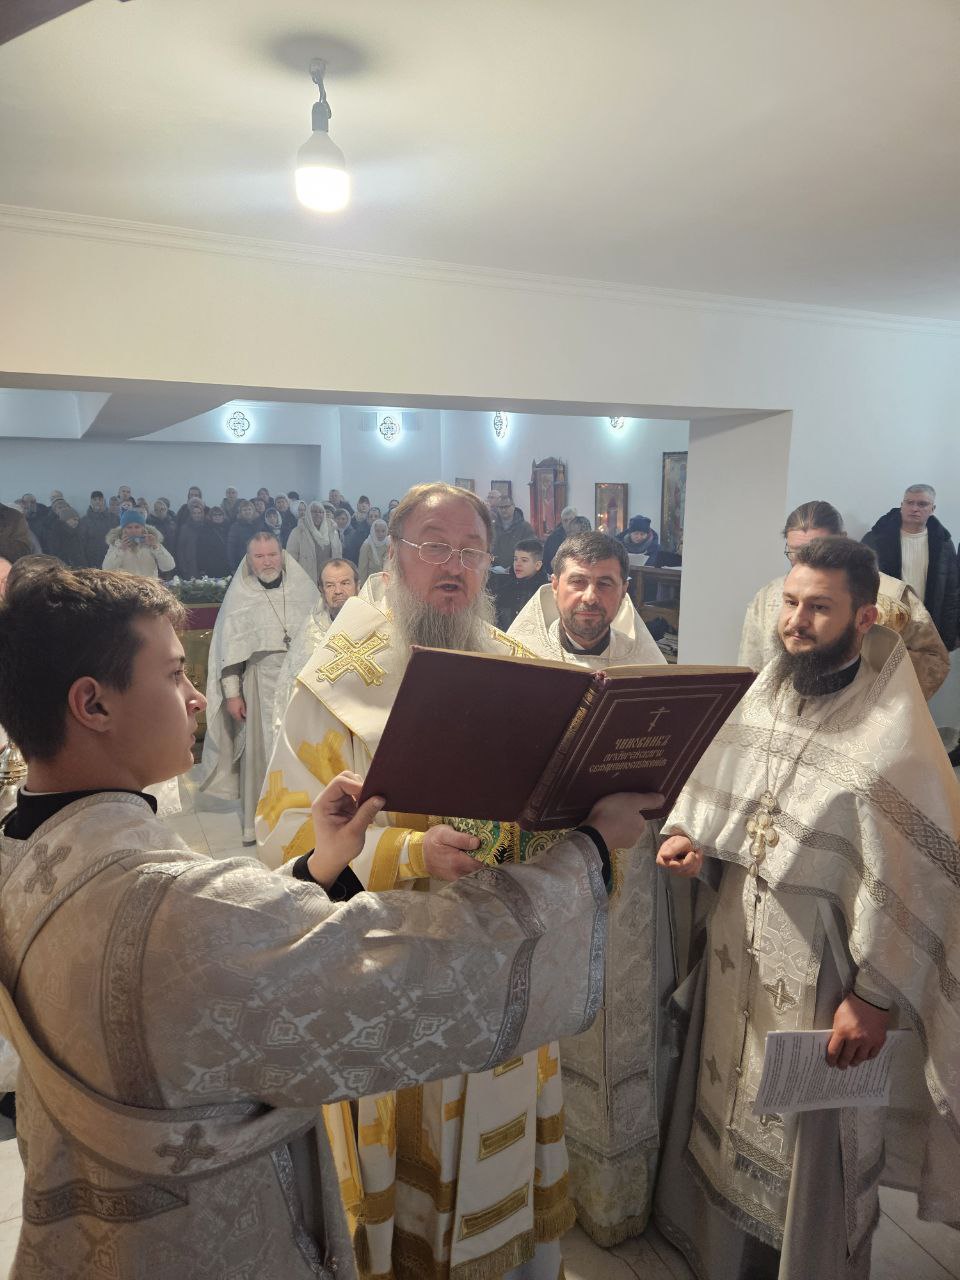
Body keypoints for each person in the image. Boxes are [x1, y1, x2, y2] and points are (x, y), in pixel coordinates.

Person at [0, 563, 652, 1280]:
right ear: (92, 704)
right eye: (175, 674)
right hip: (195, 1242)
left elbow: (215, 951)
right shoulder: (171, 906)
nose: (195, 697)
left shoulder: (28, 853)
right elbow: (431, 976)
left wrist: (317, 870)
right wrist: (588, 851)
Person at [259, 482, 618, 1280]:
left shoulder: (527, 672)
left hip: (502, 967)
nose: (452, 565)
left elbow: (557, 802)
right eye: (432, 546)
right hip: (389, 972)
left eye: (469, 550)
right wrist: (407, 855)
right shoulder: (335, 681)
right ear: (392, 558)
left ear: (489, 564)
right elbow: (282, 837)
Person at [653, 536, 960, 1280]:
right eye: (790, 602)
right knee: (725, 1097)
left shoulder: (894, 737)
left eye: (819, 607)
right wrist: (693, 843)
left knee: (807, 1133)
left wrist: (874, 997)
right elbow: (721, 798)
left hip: (825, 965)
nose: (796, 622)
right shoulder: (767, 692)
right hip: (738, 942)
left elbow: (922, 877)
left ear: (864, 618)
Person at [507, 530, 679, 1242]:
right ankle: (532, 1183)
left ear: (623, 592)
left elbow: (677, 762)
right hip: (543, 869)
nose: (590, 596)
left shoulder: (647, 665)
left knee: (616, 1013)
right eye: (578, 581)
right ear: (553, 586)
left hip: (625, 874)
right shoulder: (515, 661)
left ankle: (612, 1194)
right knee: (545, 1012)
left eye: (605, 583)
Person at [740, 500, 950, 700]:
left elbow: (934, 659)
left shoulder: (893, 595)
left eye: (820, 548)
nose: (807, 561)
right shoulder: (767, 597)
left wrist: (884, 697)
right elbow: (750, 669)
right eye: (796, 553)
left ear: (843, 539)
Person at [199, 533, 318, 844]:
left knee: (301, 753)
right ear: (249, 561)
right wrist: (232, 694)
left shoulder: (304, 590)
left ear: (283, 555)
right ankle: (260, 823)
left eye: (272, 555)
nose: (267, 562)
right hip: (258, 684)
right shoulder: (240, 596)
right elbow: (228, 654)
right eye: (259, 556)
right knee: (260, 754)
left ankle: (303, 821)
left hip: (300, 686)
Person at [862, 484, 958, 650]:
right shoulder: (875, 540)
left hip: (928, 627)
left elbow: (952, 593)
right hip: (886, 626)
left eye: (922, 504)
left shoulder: (943, 544)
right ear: (902, 505)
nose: (914, 508)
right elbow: (861, 586)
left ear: (932, 509)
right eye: (909, 502)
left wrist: (948, 639)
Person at [103, 509, 175, 578]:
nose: (133, 530)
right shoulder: (116, 544)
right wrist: (121, 550)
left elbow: (169, 566)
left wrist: (155, 546)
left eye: (137, 527)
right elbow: (107, 570)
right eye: (129, 527)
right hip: (126, 586)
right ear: (123, 529)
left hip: (149, 585)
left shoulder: (151, 541)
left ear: (143, 528)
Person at [495, 536, 549, 630]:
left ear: (537, 565)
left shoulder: (544, 592)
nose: (518, 564)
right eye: (515, 559)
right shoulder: (505, 589)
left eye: (524, 560)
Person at [287, 502, 342, 587]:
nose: (317, 514)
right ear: (308, 513)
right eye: (314, 512)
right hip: (307, 578)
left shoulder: (332, 531)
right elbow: (291, 559)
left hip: (329, 577)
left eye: (320, 512)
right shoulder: (298, 532)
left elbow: (338, 554)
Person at [491, 493, 536, 569]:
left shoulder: (525, 527)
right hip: (495, 570)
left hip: (518, 570)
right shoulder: (491, 527)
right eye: (501, 507)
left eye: (506, 507)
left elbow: (531, 550)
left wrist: (517, 565)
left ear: (513, 506)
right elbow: (487, 549)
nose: (503, 510)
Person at [78, 491, 117, 566]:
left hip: (111, 559)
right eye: (95, 499)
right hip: (91, 561)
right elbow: (81, 543)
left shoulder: (114, 518)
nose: (97, 502)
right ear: (91, 501)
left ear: (103, 501)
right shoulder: (84, 521)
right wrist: (84, 562)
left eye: (100, 499)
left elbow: (118, 539)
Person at [542, 505, 578, 573]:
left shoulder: (583, 535)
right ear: (562, 522)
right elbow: (548, 563)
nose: (568, 523)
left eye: (571, 520)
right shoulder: (553, 538)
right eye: (565, 520)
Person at [226, 499, 262, 568]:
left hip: (261, 561)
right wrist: (233, 566)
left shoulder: (260, 524)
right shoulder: (235, 527)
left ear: (253, 510)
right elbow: (231, 548)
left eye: (249, 509)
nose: (247, 512)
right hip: (244, 562)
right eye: (244, 510)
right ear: (240, 512)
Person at [357, 517, 389, 585]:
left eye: (383, 531)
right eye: (377, 531)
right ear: (373, 531)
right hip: (371, 582)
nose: (380, 534)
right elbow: (362, 568)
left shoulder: (388, 543)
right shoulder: (367, 545)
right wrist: (362, 585)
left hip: (385, 582)